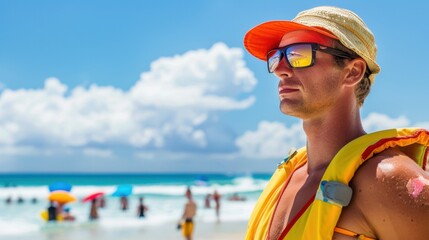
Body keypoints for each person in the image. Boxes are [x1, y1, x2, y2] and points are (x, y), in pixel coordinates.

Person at [243, 6, 429, 240]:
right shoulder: (289, 177)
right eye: (276, 57)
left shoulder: (387, 179)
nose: (280, 70)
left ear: (352, 72)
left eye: (298, 55)